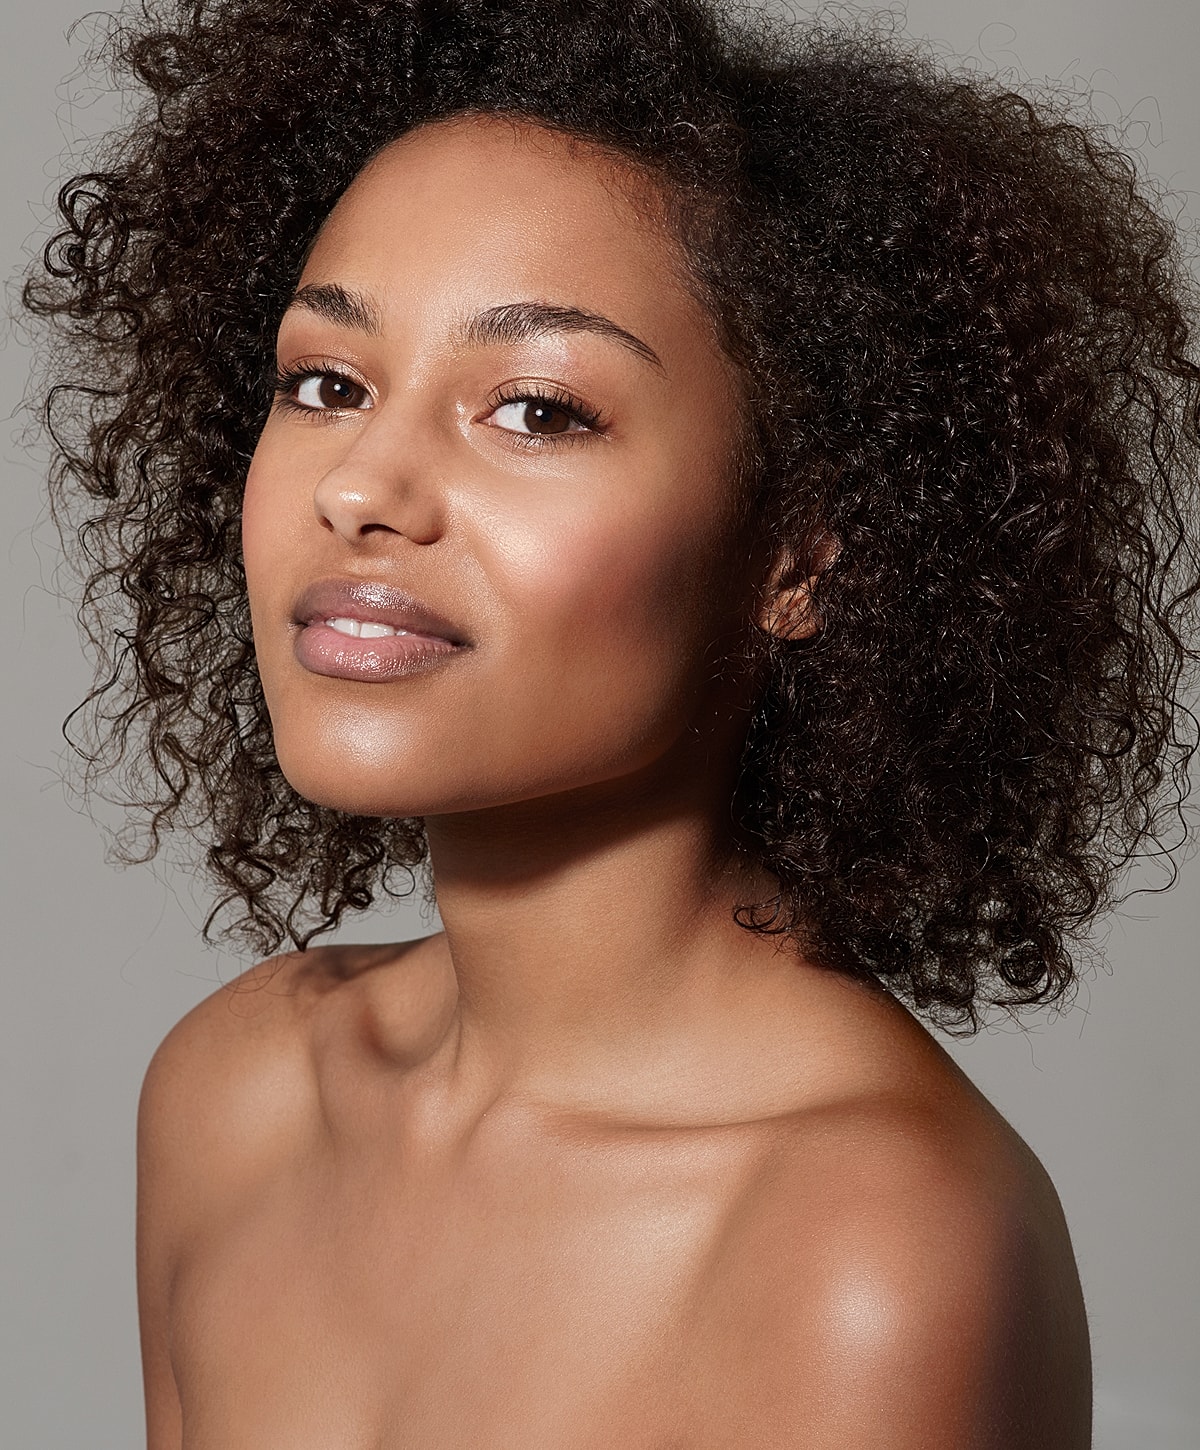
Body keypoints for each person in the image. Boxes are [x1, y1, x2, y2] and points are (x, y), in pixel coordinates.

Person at [23, 0, 1200, 1444]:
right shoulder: (236, 1096)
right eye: (326, 383)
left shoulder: (871, 1253)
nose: (361, 488)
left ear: (799, 556)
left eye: (534, 410)